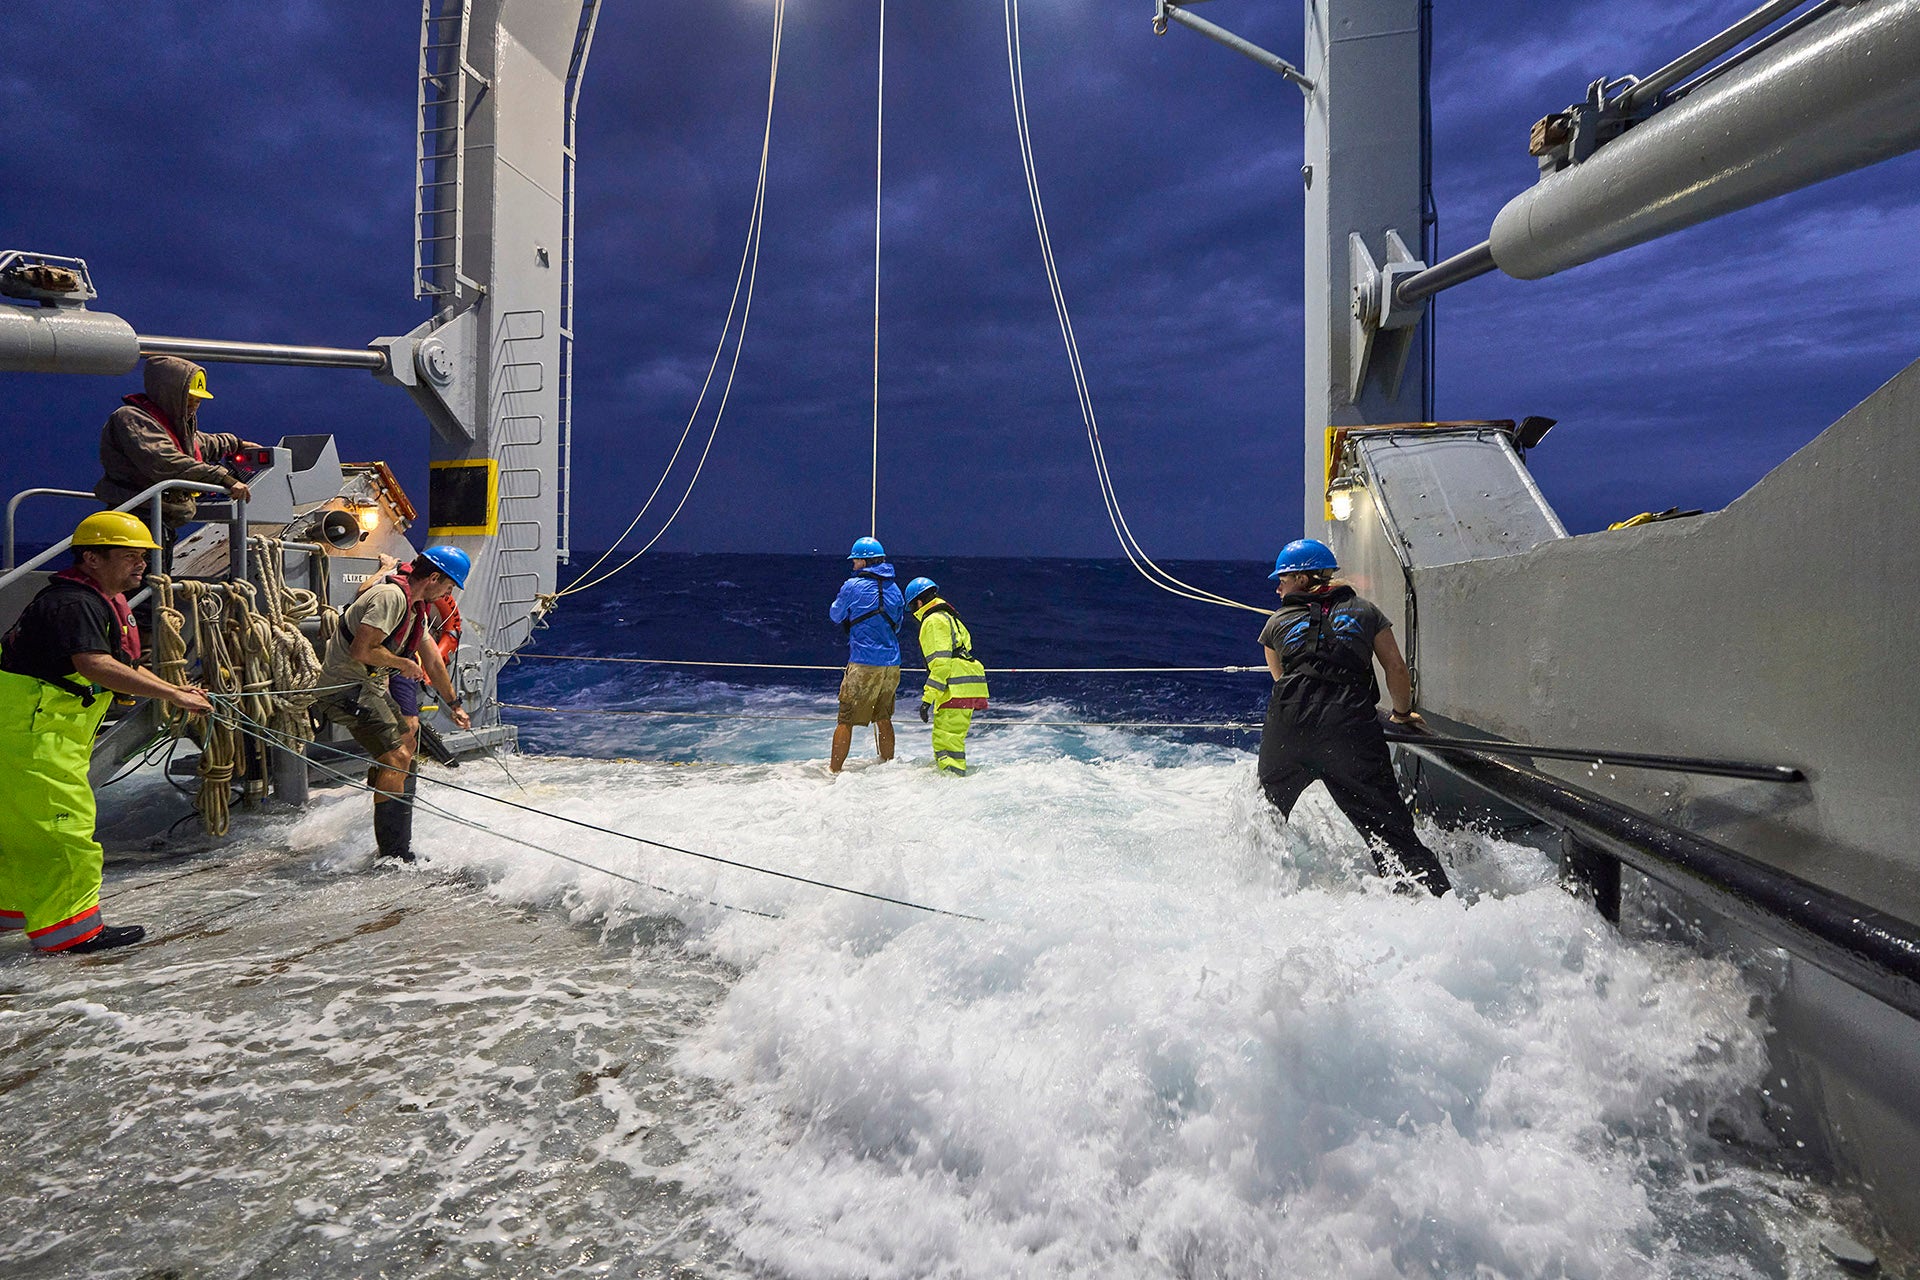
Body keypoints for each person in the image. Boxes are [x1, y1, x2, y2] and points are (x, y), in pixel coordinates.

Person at [0, 512, 213, 953]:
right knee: (64, 829)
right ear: (92, 559)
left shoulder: (90, 600)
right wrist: (174, 696)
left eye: (143, 557)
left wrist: (174, 687)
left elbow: (119, 663)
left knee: (21, 828)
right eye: (130, 556)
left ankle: (15, 912)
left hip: (30, 731)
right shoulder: (75, 605)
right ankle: (73, 933)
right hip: (36, 734)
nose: (141, 565)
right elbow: (94, 665)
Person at [1257, 538, 1451, 896]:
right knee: (1392, 835)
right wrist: (1402, 713)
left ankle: (1253, 893)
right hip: (1349, 733)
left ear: (1303, 579)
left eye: (1282, 578)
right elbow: (1395, 668)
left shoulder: (1275, 625)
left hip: (1288, 734)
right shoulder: (1366, 612)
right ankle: (1434, 907)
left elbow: (1281, 680)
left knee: (1263, 819)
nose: (1277, 586)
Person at [310, 545, 473, 863]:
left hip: (366, 688)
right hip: (345, 689)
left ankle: (399, 842)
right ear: (434, 578)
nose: (448, 592)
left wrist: (454, 704)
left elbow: (433, 662)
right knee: (396, 756)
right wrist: (401, 663)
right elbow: (361, 651)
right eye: (449, 586)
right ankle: (393, 855)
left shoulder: (415, 608)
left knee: (405, 751)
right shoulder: (391, 598)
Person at [95, 356, 264, 564]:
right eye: (189, 399)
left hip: (159, 520)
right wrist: (224, 478)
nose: (194, 406)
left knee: (154, 585)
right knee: (142, 586)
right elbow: (165, 461)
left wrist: (237, 443)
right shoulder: (131, 419)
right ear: (170, 394)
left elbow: (201, 443)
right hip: (136, 519)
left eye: (198, 401)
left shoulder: (170, 426)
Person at [827, 537, 904, 773]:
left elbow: (835, 615)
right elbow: (898, 625)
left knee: (846, 718)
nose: (853, 565)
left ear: (864, 561)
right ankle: (887, 767)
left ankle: (834, 772)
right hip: (892, 664)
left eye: (855, 560)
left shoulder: (852, 586)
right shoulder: (895, 589)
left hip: (864, 662)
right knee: (883, 716)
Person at [903, 577, 990, 775]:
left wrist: (927, 700)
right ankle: (953, 780)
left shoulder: (932, 621)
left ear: (918, 602)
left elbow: (941, 664)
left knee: (947, 741)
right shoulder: (951, 617)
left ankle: (954, 784)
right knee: (951, 739)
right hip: (970, 684)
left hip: (955, 688)